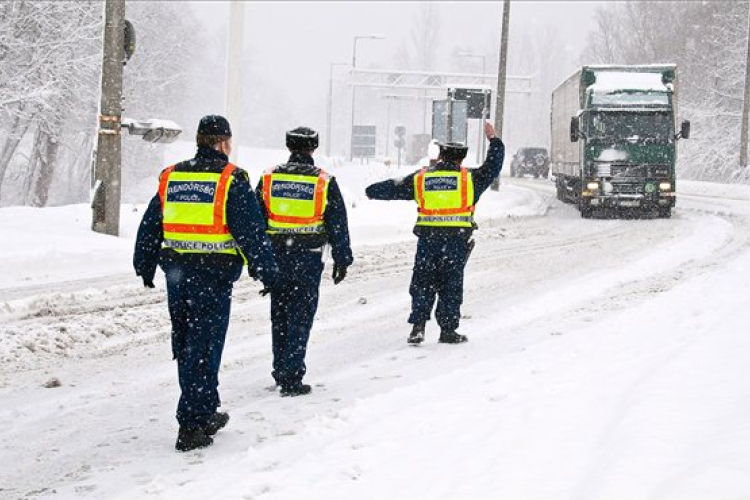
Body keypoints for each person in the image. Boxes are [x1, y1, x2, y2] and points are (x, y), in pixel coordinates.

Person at [133, 115, 279, 452]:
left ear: (200, 139)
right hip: (213, 276)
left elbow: (153, 222)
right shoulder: (231, 178)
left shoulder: (173, 176)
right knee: (204, 347)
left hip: (177, 274)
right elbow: (251, 231)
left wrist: (144, 262)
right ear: (224, 143)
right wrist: (266, 270)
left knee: (187, 343)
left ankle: (206, 410)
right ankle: (191, 424)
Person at [365, 122, 504, 345]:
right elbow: (493, 166)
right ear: (461, 159)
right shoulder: (470, 180)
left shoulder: (422, 178)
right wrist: (494, 140)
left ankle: (418, 326)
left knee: (423, 282)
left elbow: (395, 186)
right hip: (456, 242)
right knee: (451, 285)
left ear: (440, 156)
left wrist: (372, 191)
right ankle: (448, 330)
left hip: (428, 241)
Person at [255, 126, 353, 397]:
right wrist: (342, 259)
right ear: (314, 147)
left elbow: (256, 221)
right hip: (308, 260)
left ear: (289, 146)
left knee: (279, 315)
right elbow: (337, 223)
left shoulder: (269, 178)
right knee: (300, 318)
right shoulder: (323, 181)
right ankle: (291, 376)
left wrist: (257, 260)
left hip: (276, 258)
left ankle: (280, 368)